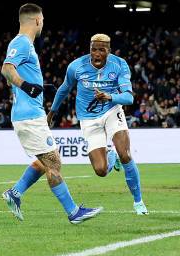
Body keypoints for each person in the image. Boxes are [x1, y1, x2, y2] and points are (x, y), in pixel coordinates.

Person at [1, 3, 102, 224]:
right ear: (37, 20)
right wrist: (26, 86)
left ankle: (15, 193)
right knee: (53, 164)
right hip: (28, 116)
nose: (43, 23)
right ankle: (73, 212)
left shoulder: (24, 45)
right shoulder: (22, 43)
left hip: (31, 114)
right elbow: (7, 68)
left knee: (47, 159)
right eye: (43, 20)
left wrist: (35, 86)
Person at [48, 33, 149, 215]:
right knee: (101, 171)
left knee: (125, 155)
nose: (96, 53)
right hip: (88, 118)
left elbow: (128, 98)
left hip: (112, 111)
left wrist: (110, 96)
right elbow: (64, 88)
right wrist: (52, 111)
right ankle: (111, 157)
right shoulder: (76, 66)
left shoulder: (119, 65)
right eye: (93, 49)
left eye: (101, 50)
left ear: (108, 51)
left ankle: (138, 202)